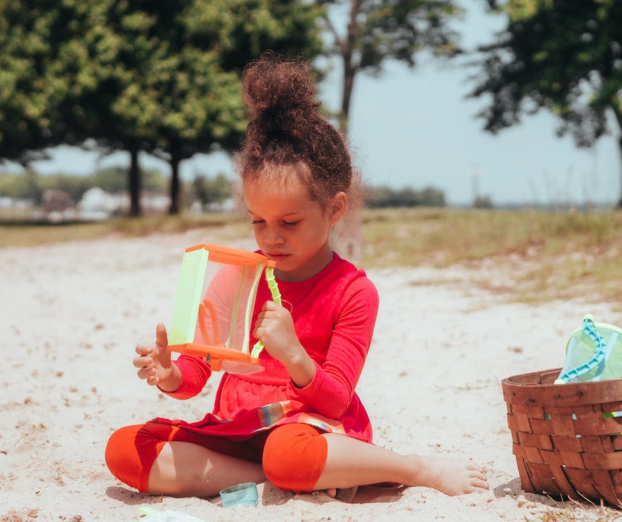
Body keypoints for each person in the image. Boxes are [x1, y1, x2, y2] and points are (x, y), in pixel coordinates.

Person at [105, 53, 489, 500]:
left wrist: (294, 355)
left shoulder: (352, 292)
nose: (271, 238)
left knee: (289, 454)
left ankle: (413, 468)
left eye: (289, 223)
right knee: (127, 449)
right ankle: (266, 478)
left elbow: (336, 400)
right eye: (257, 221)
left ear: (334, 209)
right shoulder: (237, 276)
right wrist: (168, 372)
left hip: (310, 432)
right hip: (240, 432)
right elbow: (196, 374)